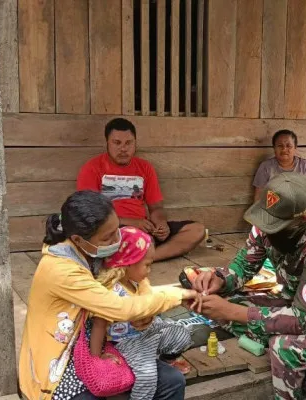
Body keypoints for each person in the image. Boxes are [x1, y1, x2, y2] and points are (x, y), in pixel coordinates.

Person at [191, 173, 306, 400]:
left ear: (303, 220)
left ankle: (304, 362)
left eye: (276, 226)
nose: (266, 231)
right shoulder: (266, 224)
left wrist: (232, 312)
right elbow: (243, 267)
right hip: (294, 303)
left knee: (285, 345)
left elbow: (301, 320)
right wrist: (219, 280)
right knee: (221, 308)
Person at [18, 191, 200, 400]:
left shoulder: (95, 247)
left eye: (117, 230)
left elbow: (134, 269)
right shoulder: (61, 269)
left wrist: (145, 297)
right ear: (78, 239)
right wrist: (175, 295)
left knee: (172, 381)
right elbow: (119, 308)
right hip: (62, 358)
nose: (117, 240)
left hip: (102, 340)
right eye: (108, 236)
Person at [77, 117, 205, 261]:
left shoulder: (145, 167)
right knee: (100, 238)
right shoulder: (92, 168)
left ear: (135, 143)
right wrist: (131, 223)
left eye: (128, 143)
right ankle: (142, 252)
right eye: (117, 143)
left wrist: (161, 224)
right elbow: (90, 215)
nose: (123, 148)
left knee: (197, 230)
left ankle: (147, 257)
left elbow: (156, 208)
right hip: (112, 229)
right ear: (107, 143)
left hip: (144, 227)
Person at [90, 226, 194, 400]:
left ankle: (166, 362)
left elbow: (150, 302)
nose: (149, 270)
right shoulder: (111, 292)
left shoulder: (138, 281)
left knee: (182, 335)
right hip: (127, 341)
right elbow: (99, 326)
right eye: (146, 265)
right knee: (147, 377)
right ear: (128, 263)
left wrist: (151, 316)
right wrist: (96, 358)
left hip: (149, 331)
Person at [253, 130, 306, 215]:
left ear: (295, 148)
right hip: (276, 214)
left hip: (305, 212)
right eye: (280, 146)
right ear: (274, 148)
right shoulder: (266, 167)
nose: (284, 149)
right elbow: (258, 198)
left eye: (289, 146)